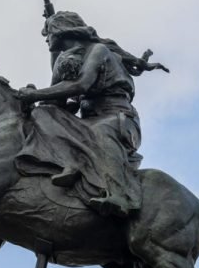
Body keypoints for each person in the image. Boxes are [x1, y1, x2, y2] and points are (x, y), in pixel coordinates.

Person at [15, 11, 167, 218]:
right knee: (44, 113)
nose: (46, 38)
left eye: (48, 33)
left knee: (99, 133)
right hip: (88, 120)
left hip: (117, 117)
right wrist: (34, 99)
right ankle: (69, 162)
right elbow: (55, 100)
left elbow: (81, 85)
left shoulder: (98, 50)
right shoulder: (65, 59)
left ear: (60, 31)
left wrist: (35, 94)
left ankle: (120, 195)